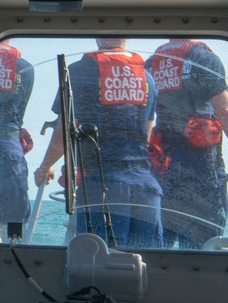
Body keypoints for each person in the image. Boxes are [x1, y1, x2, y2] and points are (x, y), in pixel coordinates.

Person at [33, 38, 163, 248]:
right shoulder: (147, 77)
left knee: (98, 260)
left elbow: (65, 128)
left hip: (101, 186)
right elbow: (146, 134)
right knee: (148, 261)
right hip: (145, 187)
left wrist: (45, 166)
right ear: (125, 37)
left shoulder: (78, 71)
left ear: (98, 37)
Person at [147, 39, 228, 249]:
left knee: (158, 254)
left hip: (162, 177)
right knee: (204, 253)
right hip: (203, 178)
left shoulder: (150, 64)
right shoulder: (202, 58)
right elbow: (226, 110)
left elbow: (146, 117)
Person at [0, 40, 34, 240]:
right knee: (13, 223)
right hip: (8, 145)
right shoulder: (25, 67)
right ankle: (15, 253)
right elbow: (20, 114)